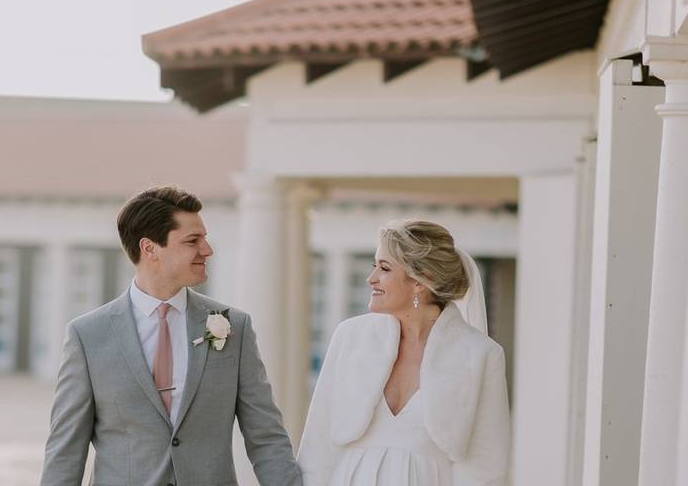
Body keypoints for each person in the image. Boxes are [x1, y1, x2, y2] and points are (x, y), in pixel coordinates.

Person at [40, 185, 302, 486]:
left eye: (204, 238)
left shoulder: (235, 327)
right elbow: (66, 450)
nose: (207, 250)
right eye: (193, 241)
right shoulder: (87, 336)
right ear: (150, 248)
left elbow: (266, 437)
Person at [298, 219, 510, 485]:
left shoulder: (481, 354)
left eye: (384, 268)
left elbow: (485, 465)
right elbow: (317, 448)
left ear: (421, 280)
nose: (371, 278)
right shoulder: (349, 337)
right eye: (374, 265)